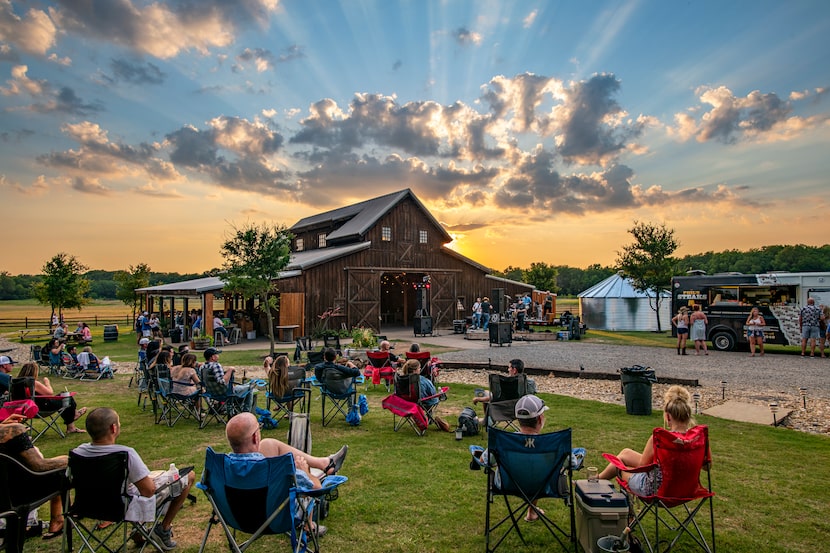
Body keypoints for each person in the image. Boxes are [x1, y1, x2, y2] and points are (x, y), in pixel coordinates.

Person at [72, 407, 195, 550]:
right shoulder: (124, 454)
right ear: (113, 428)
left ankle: (139, 530)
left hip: (88, 505)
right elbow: (149, 491)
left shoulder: (77, 452)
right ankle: (164, 528)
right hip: (122, 507)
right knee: (188, 476)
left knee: (145, 481)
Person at [224, 413, 349, 537]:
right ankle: (308, 525)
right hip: (278, 519)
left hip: (238, 518)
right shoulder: (278, 468)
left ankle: (325, 463)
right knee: (306, 485)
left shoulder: (221, 468)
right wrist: (305, 471)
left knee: (268, 444)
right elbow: (316, 489)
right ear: (255, 437)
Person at [598, 386, 712, 496]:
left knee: (621, 468)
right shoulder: (698, 438)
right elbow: (707, 466)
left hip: (658, 491)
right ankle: (597, 479)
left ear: (668, 417)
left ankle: (595, 481)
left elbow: (642, 467)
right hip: (687, 490)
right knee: (625, 453)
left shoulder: (661, 438)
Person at [475, 394, 549, 522]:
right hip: (543, 486)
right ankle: (531, 512)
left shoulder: (504, 442)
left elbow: (484, 461)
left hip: (506, 484)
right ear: (540, 419)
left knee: (530, 471)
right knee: (536, 473)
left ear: (518, 419)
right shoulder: (551, 445)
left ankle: (532, 512)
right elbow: (571, 463)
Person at [0, 416, 68, 539]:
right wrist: (70, 459)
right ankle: (58, 520)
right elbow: (40, 466)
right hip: (18, 495)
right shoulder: (13, 430)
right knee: (60, 468)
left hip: (6, 495)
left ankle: (57, 519)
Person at [17, 362, 87, 434]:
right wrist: (47, 383)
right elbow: (50, 392)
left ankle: (72, 422)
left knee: (63, 395)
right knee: (66, 397)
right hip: (41, 408)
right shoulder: (32, 383)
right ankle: (73, 418)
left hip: (24, 409)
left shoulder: (17, 383)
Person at [401, 359, 450, 431]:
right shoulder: (423, 380)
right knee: (431, 399)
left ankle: (421, 417)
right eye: (419, 368)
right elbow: (432, 393)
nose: (420, 369)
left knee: (424, 398)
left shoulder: (401, 379)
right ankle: (429, 417)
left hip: (406, 402)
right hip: (422, 402)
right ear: (415, 370)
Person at [203, 347, 255, 412]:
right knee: (250, 388)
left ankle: (236, 410)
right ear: (213, 357)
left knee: (242, 387)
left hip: (211, 394)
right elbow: (222, 382)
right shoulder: (216, 365)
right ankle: (246, 412)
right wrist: (230, 370)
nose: (218, 356)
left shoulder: (203, 367)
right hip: (225, 394)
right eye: (217, 354)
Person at [472, 358, 537, 408]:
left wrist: (478, 399)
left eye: (509, 367)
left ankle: (487, 421)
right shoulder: (530, 383)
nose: (508, 370)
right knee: (486, 392)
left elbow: (496, 398)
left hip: (503, 410)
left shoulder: (507, 383)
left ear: (514, 370)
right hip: (521, 408)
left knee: (486, 394)